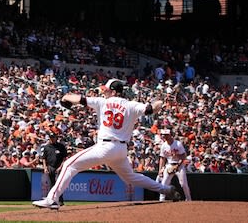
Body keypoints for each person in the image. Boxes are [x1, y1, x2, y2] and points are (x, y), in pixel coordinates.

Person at [32, 79, 181, 210]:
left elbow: (78, 99)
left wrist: (65, 97)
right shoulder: (131, 105)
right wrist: (161, 100)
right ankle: (167, 190)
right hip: (121, 150)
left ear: (114, 91)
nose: (105, 92)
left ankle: (52, 199)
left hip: (105, 147)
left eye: (107, 90)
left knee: (69, 165)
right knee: (131, 177)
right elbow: (152, 108)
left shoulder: (103, 102)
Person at [158, 129, 192, 202]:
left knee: (183, 184)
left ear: (171, 135)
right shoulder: (163, 145)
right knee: (164, 183)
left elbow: (184, 156)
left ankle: (188, 199)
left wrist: (178, 165)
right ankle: (161, 200)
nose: (165, 136)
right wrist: (160, 170)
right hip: (169, 165)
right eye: (164, 135)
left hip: (179, 165)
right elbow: (162, 158)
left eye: (166, 135)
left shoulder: (178, 144)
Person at [40, 132, 68, 205]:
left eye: (53, 137)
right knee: (52, 183)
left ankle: (60, 200)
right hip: (50, 167)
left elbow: (65, 157)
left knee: (59, 183)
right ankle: (52, 200)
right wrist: (45, 168)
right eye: (51, 137)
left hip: (59, 167)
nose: (52, 139)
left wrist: (61, 166)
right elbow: (43, 158)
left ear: (56, 138)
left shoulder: (61, 146)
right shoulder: (46, 147)